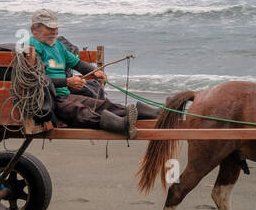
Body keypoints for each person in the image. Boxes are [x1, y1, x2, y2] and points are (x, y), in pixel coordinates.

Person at [25, 9, 160, 136]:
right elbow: (37, 79)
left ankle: (148, 113)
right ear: (34, 29)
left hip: (64, 96)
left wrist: (95, 72)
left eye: (56, 27)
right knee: (79, 111)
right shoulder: (31, 47)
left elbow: (77, 63)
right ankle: (121, 125)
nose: (54, 31)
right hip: (48, 101)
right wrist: (67, 82)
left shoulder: (58, 46)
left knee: (102, 104)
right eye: (49, 28)